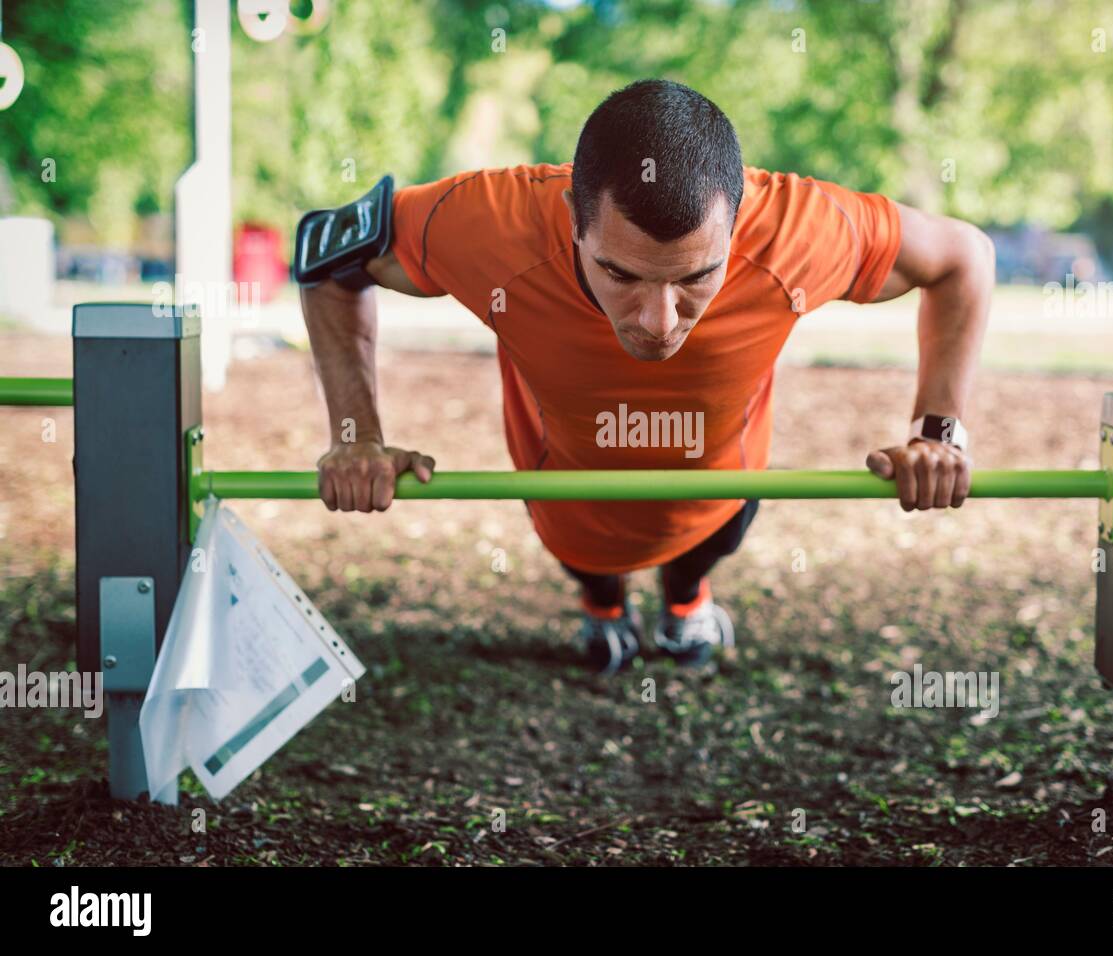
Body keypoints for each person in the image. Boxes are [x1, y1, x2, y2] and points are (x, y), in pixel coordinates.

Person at [300, 79, 994, 675]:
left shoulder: (797, 231)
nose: (659, 321)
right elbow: (329, 256)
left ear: (739, 221)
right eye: (621, 273)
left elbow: (965, 257)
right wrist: (356, 434)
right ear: (574, 219)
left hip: (720, 490)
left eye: (697, 276)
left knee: (708, 543)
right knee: (587, 558)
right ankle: (602, 604)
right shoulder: (491, 224)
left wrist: (938, 430)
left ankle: (685, 599)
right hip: (569, 497)